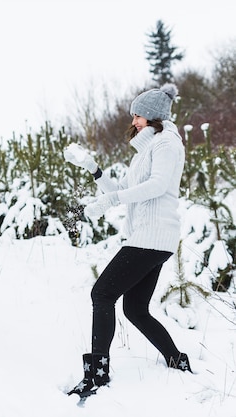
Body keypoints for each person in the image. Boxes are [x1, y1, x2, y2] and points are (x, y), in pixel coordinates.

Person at [64, 83, 192, 398]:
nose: (133, 121)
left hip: (152, 234)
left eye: (137, 116)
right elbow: (120, 188)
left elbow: (158, 185)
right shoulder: (147, 149)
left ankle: (96, 376)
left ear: (152, 116)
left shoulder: (166, 144)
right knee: (135, 309)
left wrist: (111, 203)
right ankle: (177, 360)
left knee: (102, 293)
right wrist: (92, 168)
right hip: (148, 237)